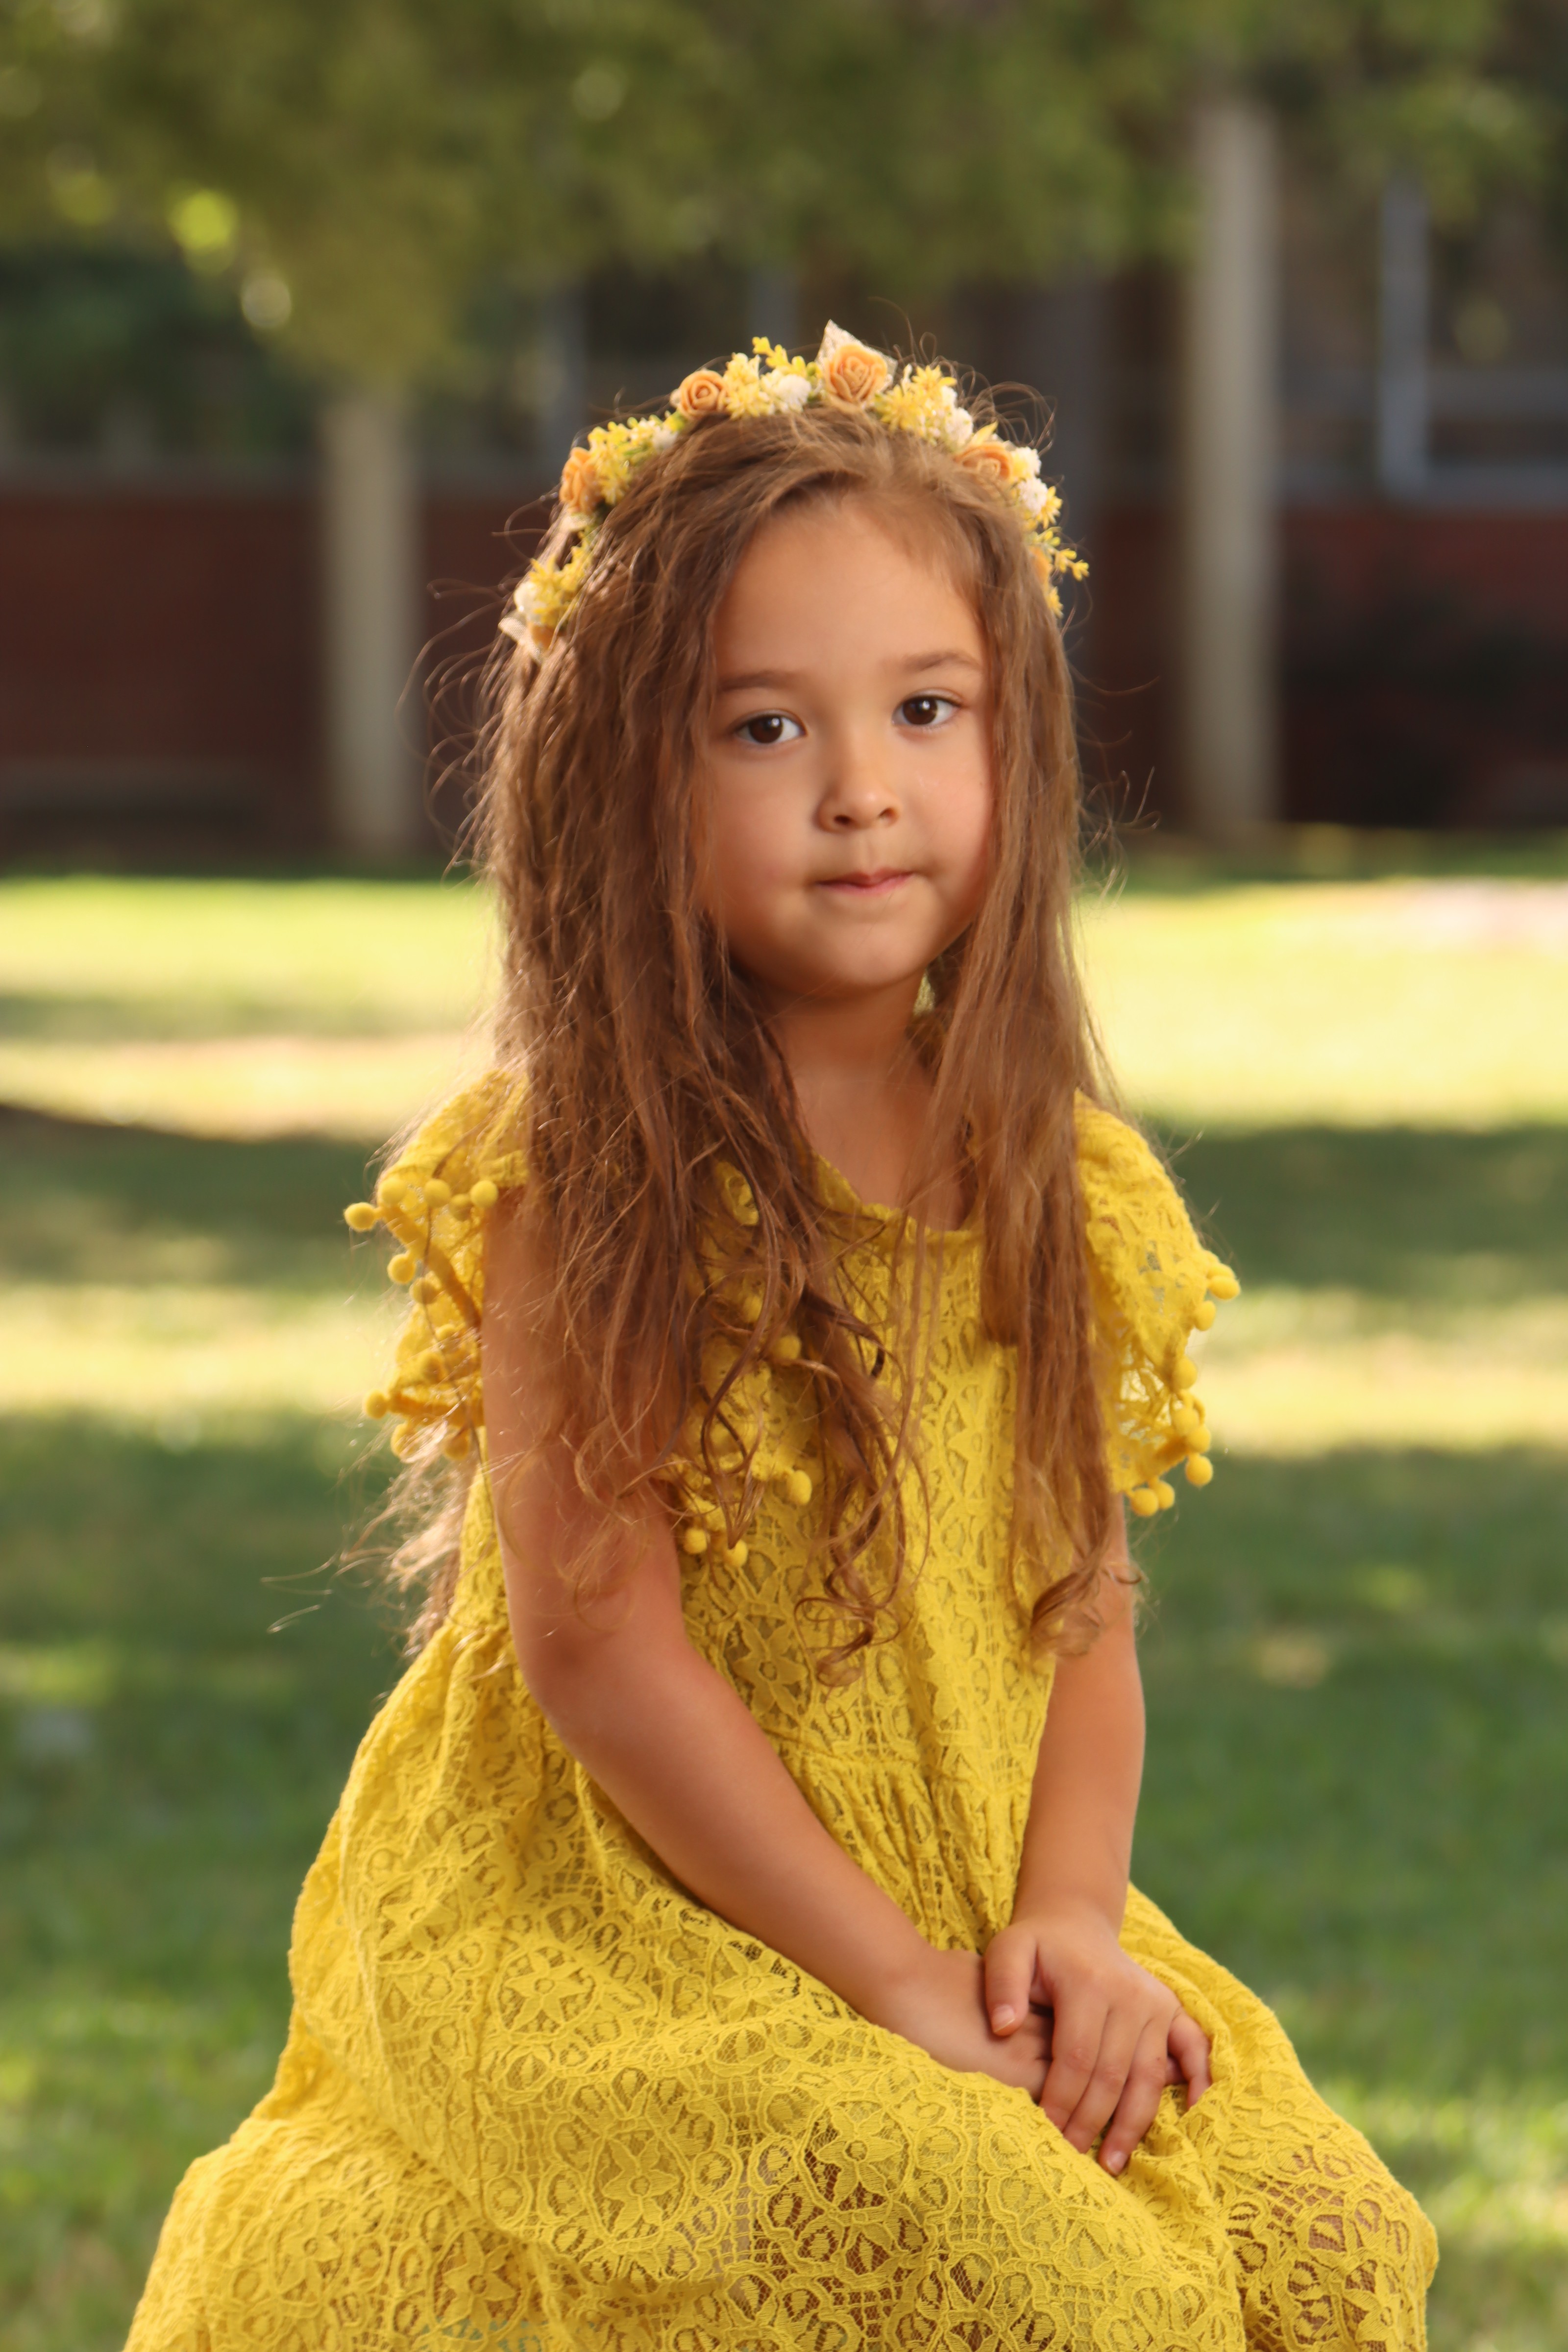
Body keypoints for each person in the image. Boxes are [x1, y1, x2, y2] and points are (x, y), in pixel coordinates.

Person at [128, 326, 1436, 2351]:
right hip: (638, 1911)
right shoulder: (590, 1177)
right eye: (762, 728)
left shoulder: (1047, 1178)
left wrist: (1064, 1929)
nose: (860, 792)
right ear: (624, 776)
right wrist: (895, 1990)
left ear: (1011, 741)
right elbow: (598, 1649)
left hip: (971, 1880)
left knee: (1322, 2244)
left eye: (925, 709)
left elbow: (1080, 1609)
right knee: (1026, 2270)